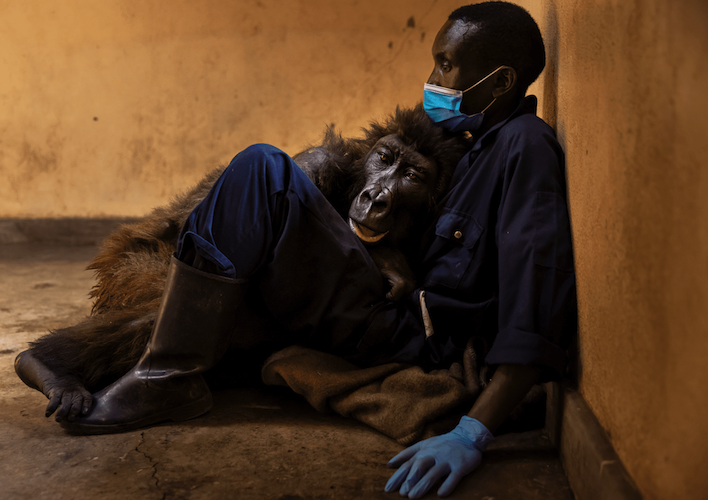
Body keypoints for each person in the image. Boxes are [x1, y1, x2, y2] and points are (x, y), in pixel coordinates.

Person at [62, 2, 576, 498]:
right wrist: (382, 257)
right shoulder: (462, 137)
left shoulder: (524, 147)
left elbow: (535, 299)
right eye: (435, 62)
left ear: (502, 81)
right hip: (383, 297)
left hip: (407, 334)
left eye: (446, 65)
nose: (434, 80)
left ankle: (167, 375)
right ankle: (159, 359)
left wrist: (473, 433)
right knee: (273, 180)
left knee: (264, 170)